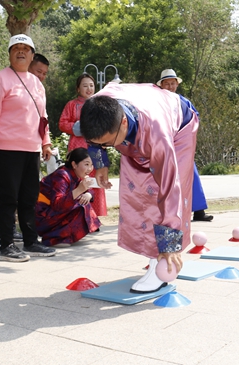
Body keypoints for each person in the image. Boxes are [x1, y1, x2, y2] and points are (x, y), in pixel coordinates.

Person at [79, 83, 198, 294]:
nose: (106, 147)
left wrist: (169, 243)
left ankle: (161, 262)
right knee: (135, 191)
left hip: (179, 127)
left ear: (123, 122)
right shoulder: (95, 107)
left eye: (108, 143)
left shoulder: (158, 134)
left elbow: (170, 186)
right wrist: (100, 162)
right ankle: (152, 254)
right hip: (137, 124)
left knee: (157, 193)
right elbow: (96, 139)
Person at [0, 34, 55, 261]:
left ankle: (31, 241)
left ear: (32, 55)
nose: (20, 52)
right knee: (8, 198)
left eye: (25, 48)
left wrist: (46, 141)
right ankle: (7, 245)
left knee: (29, 197)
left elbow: (43, 116)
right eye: (16, 48)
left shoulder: (36, 83)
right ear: (10, 53)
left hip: (32, 149)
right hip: (7, 148)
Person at [157, 69, 213, 222]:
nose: (170, 86)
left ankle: (199, 211)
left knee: (192, 175)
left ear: (177, 84)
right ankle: (167, 213)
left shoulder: (184, 101)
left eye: (173, 83)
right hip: (164, 145)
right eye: (167, 83)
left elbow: (195, 118)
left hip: (183, 144)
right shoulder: (156, 102)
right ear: (161, 85)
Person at [59, 73, 107, 216]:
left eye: (91, 85)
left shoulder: (100, 105)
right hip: (78, 147)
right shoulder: (72, 105)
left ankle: (94, 216)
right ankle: (78, 214)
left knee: (95, 178)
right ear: (78, 89)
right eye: (85, 85)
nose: (89, 89)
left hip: (96, 147)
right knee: (78, 178)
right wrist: (78, 127)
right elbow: (62, 123)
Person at [35, 148, 101, 247]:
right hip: (41, 215)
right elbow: (57, 204)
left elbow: (88, 191)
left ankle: (65, 235)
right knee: (81, 206)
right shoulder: (62, 175)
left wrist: (88, 194)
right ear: (74, 164)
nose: (90, 168)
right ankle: (54, 238)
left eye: (91, 165)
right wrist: (79, 190)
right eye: (86, 164)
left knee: (84, 201)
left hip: (51, 213)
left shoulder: (75, 174)